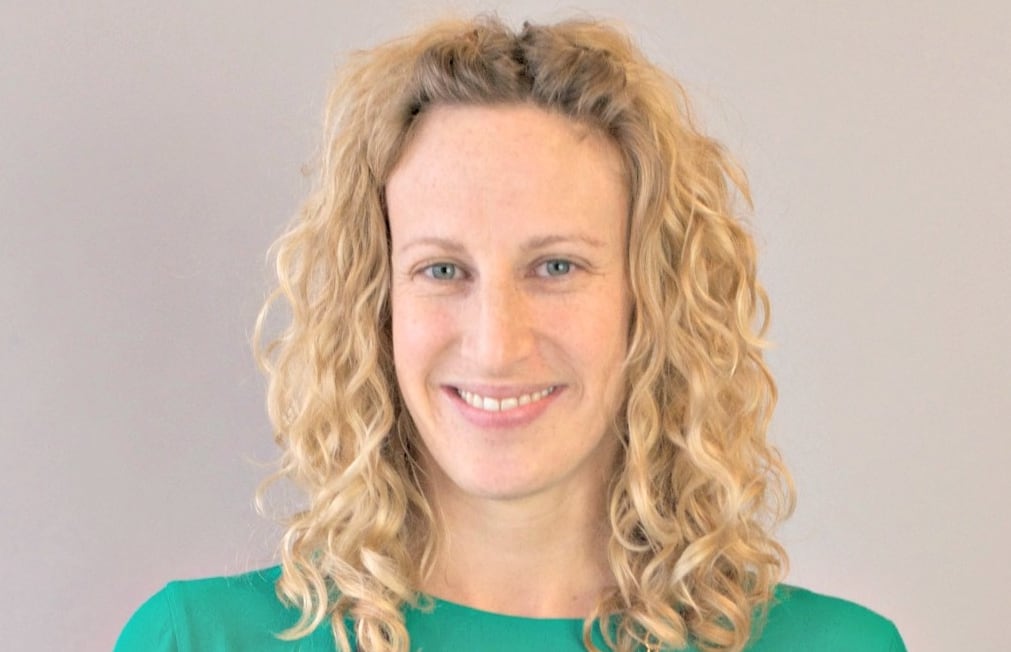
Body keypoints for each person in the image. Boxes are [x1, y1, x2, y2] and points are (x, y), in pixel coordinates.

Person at [116, 16, 906, 652]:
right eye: (441, 270)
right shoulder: (198, 640)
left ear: (653, 301)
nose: (496, 344)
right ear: (374, 306)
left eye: (556, 267)